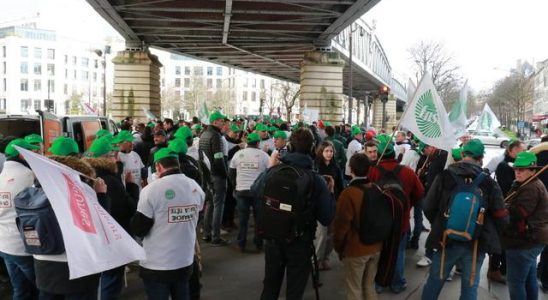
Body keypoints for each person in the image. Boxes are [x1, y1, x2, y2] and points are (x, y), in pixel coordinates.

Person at [251, 128, 335, 300]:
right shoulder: (315, 180)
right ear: (313, 150)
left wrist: (270, 168)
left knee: (270, 287)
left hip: (272, 238)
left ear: (289, 147)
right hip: (300, 242)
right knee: (295, 290)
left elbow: (255, 191)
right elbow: (326, 217)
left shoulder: (273, 171)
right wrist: (330, 193)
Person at [421, 139, 509, 300]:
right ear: (481, 157)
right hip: (476, 244)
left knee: (434, 281)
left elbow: (428, 206)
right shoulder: (489, 183)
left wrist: (442, 223)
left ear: (462, 154)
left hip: (446, 239)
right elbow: (501, 217)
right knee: (470, 289)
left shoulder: (444, 176)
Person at [131, 148, 205, 300]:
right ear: (177, 164)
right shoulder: (195, 188)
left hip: (157, 264)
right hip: (184, 261)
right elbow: (198, 217)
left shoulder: (151, 190)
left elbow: (139, 228)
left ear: (158, 166)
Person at [83, 136, 139, 300]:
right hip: (113, 236)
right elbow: (128, 208)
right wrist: (132, 186)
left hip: (95, 236)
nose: (116, 157)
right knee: (111, 279)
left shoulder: (87, 174)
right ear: (104, 157)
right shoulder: (110, 180)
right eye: (112, 154)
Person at [368, 135, 424, 294]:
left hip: (378, 221)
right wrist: (408, 205)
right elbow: (420, 193)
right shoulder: (407, 172)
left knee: (379, 252)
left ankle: (378, 284)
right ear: (394, 154)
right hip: (401, 220)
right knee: (399, 252)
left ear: (378, 155)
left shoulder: (372, 171)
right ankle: (397, 283)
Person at [334, 153, 382, 300]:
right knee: (369, 286)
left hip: (356, 249)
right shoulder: (376, 188)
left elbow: (341, 226)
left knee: (354, 289)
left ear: (351, 169)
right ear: (368, 169)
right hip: (376, 246)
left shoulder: (348, 193)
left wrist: (339, 247)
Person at [502, 151, 548, 300]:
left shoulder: (531, 188)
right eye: (516, 169)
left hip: (524, 241)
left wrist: (503, 206)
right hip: (530, 240)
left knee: (515, 281)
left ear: (532, 170)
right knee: (528, 279)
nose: (518, 172)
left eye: (522, 169)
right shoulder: (525, 184)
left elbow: (519, 213)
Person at [0, 138, 40, 300]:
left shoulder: (2, 175)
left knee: (20, 290)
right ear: (23, 156)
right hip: (23, 245)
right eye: (32, 152)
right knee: (41, 289)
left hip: (4, 244)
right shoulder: (29, 175)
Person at [488, 139, 526, 283]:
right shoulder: (504, 166)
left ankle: (504, 268)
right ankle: (494, 269)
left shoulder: (517, 165)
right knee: (501, 241)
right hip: (504, 207)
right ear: (512, 150)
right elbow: (506, 189)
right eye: (521, 150)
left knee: (508, 241)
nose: (524, 152)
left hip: (511, 208)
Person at [228, 132, 270, 252]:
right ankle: (259, 244)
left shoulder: (238, 154)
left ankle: (241, 244)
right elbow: (269, 173)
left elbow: (231, 174)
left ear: (247, 143)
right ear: (258, 143)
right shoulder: (264, 155)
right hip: (257, 192)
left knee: (243, 220)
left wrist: (236, 186)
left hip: (242, 191)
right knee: (259, 219)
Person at [199, 111, 230, 246]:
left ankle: (206, 233)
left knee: (210, 204)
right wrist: (225, 174)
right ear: (215, 121)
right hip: (217, 175)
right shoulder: (216, 136)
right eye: (221, 121)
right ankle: (216, 237)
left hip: (207, 174)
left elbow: (201, 157)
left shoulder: (203, 134)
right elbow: (218, 158)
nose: (223, 123)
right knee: (218, 205)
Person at [314, 140, 344, 271]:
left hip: (333, 202)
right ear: (321, 151)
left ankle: (325, 257)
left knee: (332, 234)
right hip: (319, 203)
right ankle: (316, 260)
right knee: (321, 233)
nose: (329, 153)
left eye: (331, 151)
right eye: (326, 151)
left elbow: (340, 185)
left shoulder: (335, 167)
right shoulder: (315, 166)